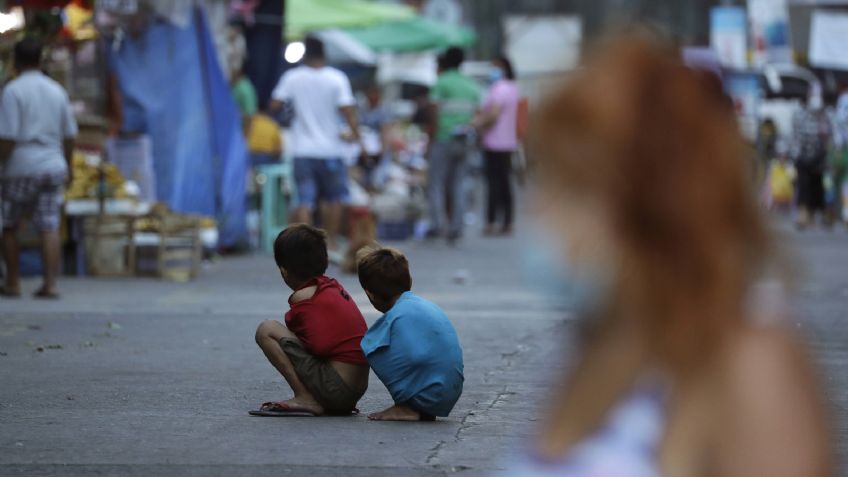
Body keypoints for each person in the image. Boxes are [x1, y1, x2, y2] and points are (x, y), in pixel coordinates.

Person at [499, 35, 831, 476]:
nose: (541, 211)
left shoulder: (749, 362)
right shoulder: (602, 337)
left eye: (571, 190)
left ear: (650, 205)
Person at [252, 224, 369, 416]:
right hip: (354, 390)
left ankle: (305, 397)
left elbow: (319, 346)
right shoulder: (330, 287)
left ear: (284, 271)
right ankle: (312, 397)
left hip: (336, 389)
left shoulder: (305, 296)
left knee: (267, 329)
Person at [269, 36, 364, 252]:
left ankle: (305, 246)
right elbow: (348, 110)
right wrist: (359, 139)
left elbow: (275, 104)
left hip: (302, 150)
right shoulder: (336, 78)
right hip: (331, 150)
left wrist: (291, 110)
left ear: (304, 54)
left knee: (305, 199)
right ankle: (329, 244)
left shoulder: (292, 77)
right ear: (325, 54)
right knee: (334, 198)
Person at [0, 38, 77, 299]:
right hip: (52, 165)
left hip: (20, 167)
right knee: (49, 225)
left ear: (15, 61)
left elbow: (7, 137)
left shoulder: (13, 91)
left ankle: (12, 282)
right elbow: (69, 136)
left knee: (9, 224)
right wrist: (69, 166)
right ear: (41, 61)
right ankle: (51, 284)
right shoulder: (57, 90)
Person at [357, 247, 463, 421]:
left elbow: (369, 347)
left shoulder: (395, 316)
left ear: (370, 294)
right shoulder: (424, 304)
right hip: (449, 394)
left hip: (426, 397)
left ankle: (407, 406)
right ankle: (417, 403)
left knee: (369, 346)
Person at [427, 46, 481, 243]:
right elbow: (478, 112)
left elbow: (433, 112)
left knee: (436, 184)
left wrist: (430, 137)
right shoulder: (470, 84)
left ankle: (437, 225)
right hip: (464, 140)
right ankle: (456, 227)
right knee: (458, 184)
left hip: (443, 138)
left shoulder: (441, 82)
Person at [472, 55, 520, 236]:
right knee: (505, 182)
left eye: (494, 67)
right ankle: (507, 221)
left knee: (494, 183)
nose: (492, 70)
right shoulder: (513, 88)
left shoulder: (499, 89)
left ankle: (491, 221)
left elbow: (493, 114)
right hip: (508, 141)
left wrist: (476, 124)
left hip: (494, 142)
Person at [791, 91, 832, 229]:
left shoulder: (826, 116)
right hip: (803, 157)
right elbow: (796, 137)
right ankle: (803, 214)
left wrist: (826, 155)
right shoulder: (799, 115)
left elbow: (829, 137)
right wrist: (797, 156)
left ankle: (817, 214)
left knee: (818, 186)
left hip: (820, 159)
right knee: (803, 186)